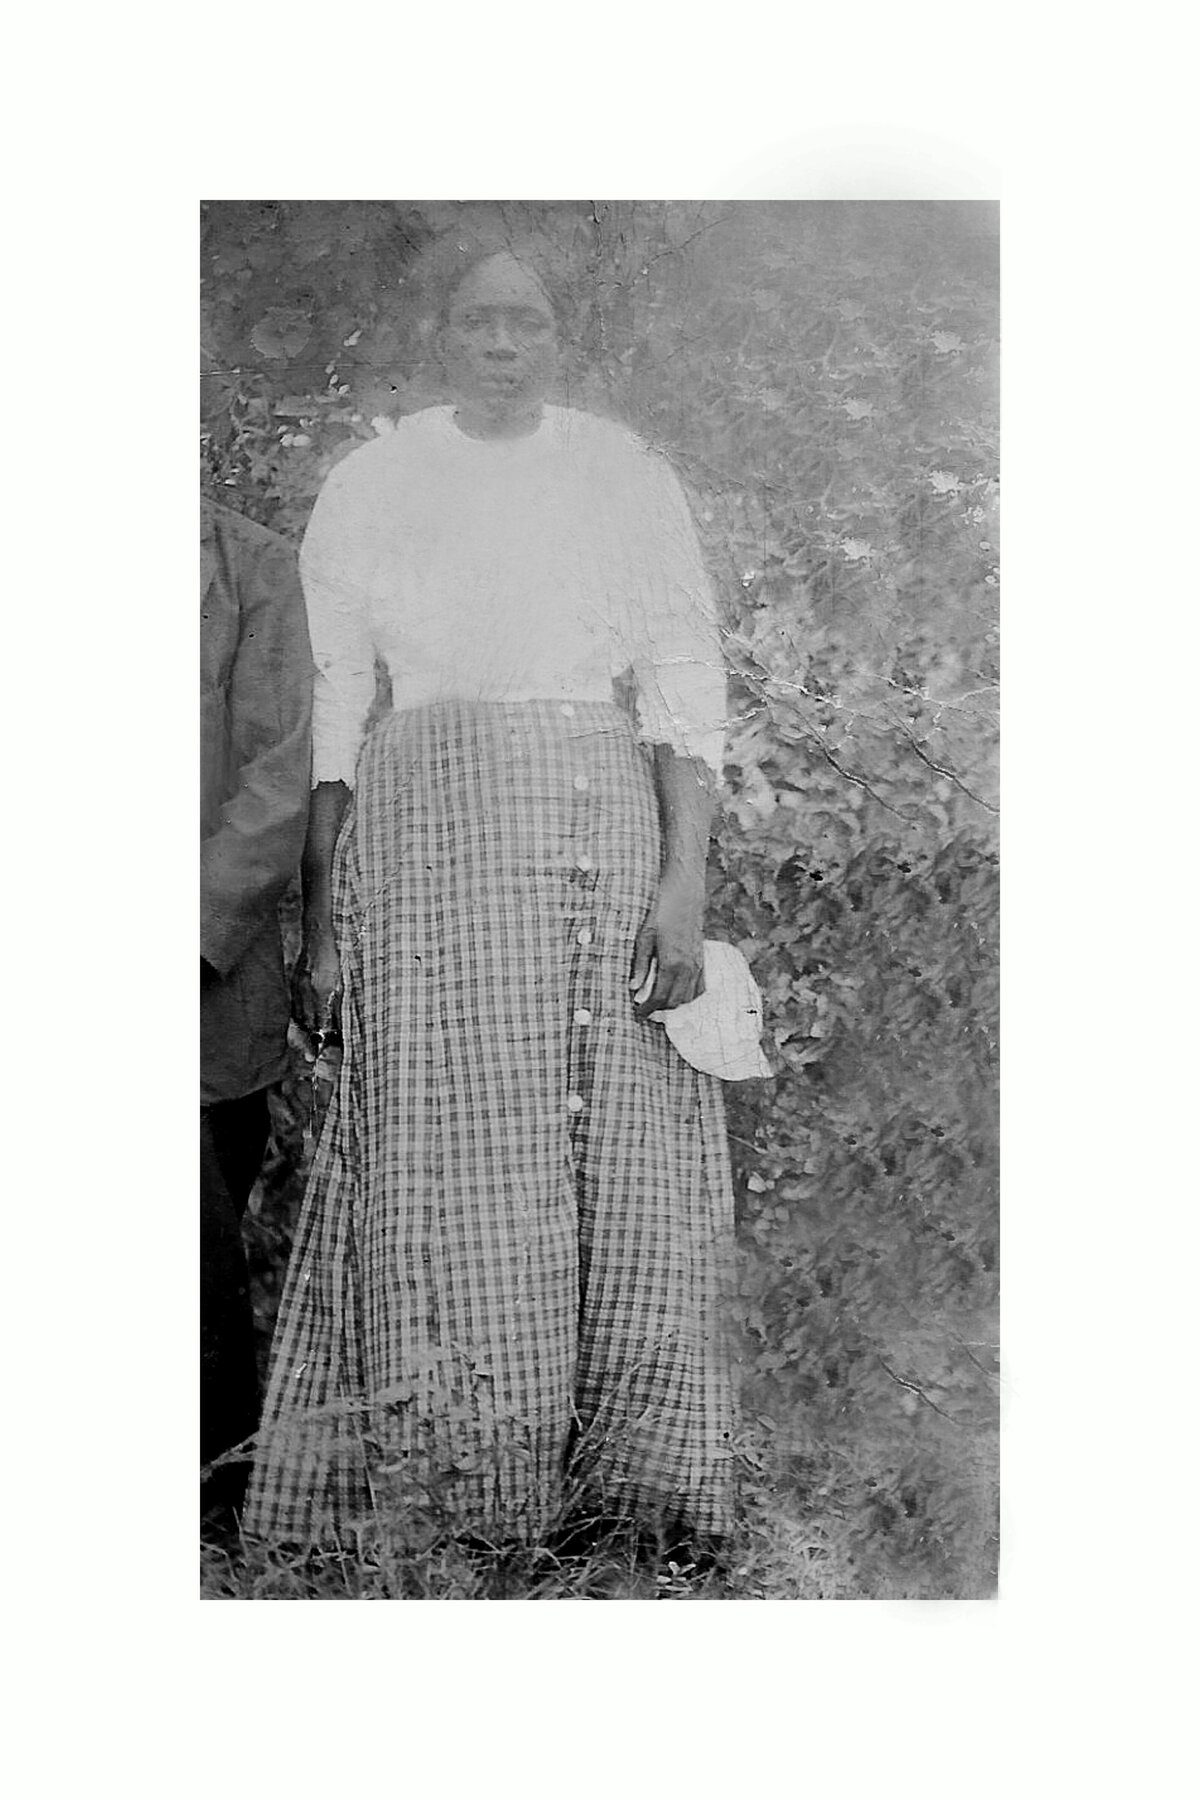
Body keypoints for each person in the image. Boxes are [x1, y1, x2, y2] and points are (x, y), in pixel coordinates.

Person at [244, 237, 735, 1554]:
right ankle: (463, 1489)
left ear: (560, 339)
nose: (503, 344)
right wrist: (327, 918)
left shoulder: (619, 477)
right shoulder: (376, 482)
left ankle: (633, 1495)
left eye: (527, 322)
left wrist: (681, 889)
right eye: (479, 323)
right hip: (425, 847)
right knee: (445, 1141)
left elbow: (685, 689)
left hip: (592, 832)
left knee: (608, 1146)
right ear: (442, 338)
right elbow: (339, 705)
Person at [201, 498, 312, 1523]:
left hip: (202, 978)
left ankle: (206, 1508)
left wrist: (193, 928)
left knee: (196, 1241)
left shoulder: (251, 569)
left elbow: (279, 779)